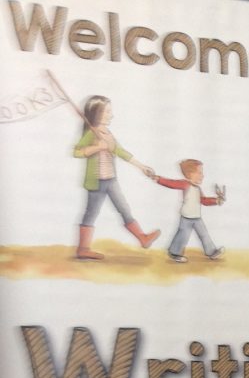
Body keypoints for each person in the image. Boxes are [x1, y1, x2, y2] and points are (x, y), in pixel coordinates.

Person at [73, 95, 159, 260]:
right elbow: (76, 152)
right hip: (96, 182)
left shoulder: (107, 133)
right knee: (91, 214)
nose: (111, 115)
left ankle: (142, 238)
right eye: (108, 112)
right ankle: (83, 249)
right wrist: (96, 148)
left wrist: (141, 166)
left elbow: (120, 151)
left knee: (124, 209)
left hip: (111, 180)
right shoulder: (91, 133)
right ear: (97, 114)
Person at [154, 159, 226, 263]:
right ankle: (174, 253)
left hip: (197, 218)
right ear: (190, 174)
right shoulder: (185, 184)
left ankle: (212, 252)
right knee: (183, 235)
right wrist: (158, 179)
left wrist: (216, 200)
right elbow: (171, 183)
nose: (202, 175)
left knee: (204, 234)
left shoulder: (197, 188)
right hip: (186, 218)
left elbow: (204, 201)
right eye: (199, 172)